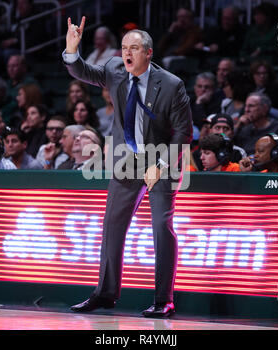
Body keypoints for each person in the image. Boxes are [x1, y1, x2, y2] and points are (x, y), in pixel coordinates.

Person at [63, 17, 192, 317]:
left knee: (161, 226)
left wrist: (160, 164)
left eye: (134, 48)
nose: (127, 53)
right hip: (127, 159)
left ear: (148, 53)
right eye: (123, 48)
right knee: (112, 225)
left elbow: (183, 132)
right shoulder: (114, 69)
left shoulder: (172, 84)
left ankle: (164, 300)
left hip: (164, 157)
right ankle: (106, 293)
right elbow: (83, 71)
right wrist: (72, 49)